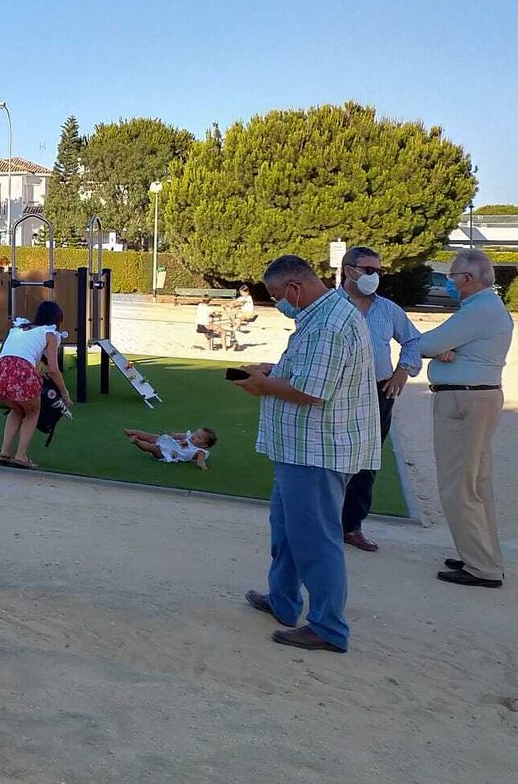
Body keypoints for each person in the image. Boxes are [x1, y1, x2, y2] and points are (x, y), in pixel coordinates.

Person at [234, 255, 378, 653]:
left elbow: (313, 392)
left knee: (316, 540)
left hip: (317, 451)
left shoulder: (329, 324)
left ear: (294, 288)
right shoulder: (323, 316)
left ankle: (329, 627)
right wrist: (273, 370)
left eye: (279, 296)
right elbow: (309, 374)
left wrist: (264, 385)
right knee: (287, 530)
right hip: (301, 448)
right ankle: (283, 600)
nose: (279, 303)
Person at [416, 248, 514, 588]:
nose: (450, 280)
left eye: (453, 276)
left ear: (468, 279)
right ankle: (482, 555)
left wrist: (436, 350)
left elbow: (428, 343)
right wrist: (442, 351)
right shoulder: (485, 308)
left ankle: (480, 566)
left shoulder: (479, 310)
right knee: (476, 483)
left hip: (464, 400)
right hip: (476, 397)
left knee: (459, 485)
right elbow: (441, 345)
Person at [337, 246, 422, 552]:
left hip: (379, 391)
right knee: (330, 456)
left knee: (368, 460)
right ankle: (323, 522)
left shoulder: (388, 309)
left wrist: (403, 370)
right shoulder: (329, 305)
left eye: (379, 271)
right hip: (337, 392)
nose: (376, 276)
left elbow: (413, 339)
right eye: (370, 270)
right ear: (349, 271)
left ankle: (352, 526)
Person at [0, 302, 71, 469]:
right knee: (33, 412)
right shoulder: (50, 334)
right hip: (21, 371)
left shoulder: (18, 328)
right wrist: (64, 392)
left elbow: (19, 353)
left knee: (17, 409)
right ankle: (21, 455)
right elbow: (53, 369)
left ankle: (5, 451)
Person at [124, 426, 217, 470]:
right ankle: (132, 432)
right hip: (169, 443)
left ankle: (137, 441)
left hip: (169, 453)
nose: (194, 436)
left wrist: (202, 465)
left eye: (199, 437)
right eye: (195, 433)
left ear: (204, 445)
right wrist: (176, 435)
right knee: (152, 436)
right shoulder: (188, 437)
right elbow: (178, 436)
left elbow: (200, 461)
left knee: (153, 448)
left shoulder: (200, 451)